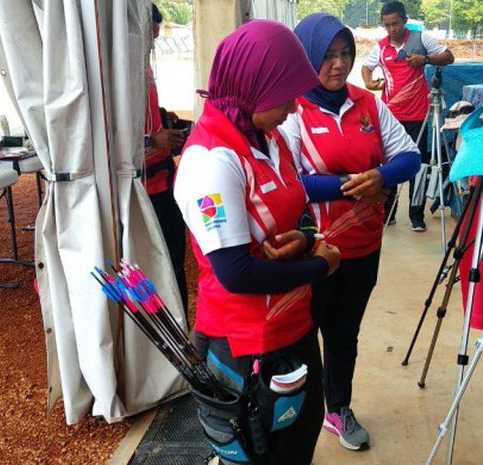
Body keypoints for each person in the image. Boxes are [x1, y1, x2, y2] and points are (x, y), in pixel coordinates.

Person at [173, 20, 341, 465]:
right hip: (244, 344)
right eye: (283, 95)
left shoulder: (271, 136)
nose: (293, 106)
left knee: (299, 439)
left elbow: (298, 204)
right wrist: (322, 265)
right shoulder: (211, 161)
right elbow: (236, 273)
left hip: (293, 327)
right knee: (261, 453)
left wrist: (305, 238)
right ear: (249, 88)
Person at [280, 13, 420, 451]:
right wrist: (351, 186)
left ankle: (338, 409)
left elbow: (410, 156)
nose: (338, 65)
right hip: (315, 250)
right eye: (326, 56)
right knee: (302, 337)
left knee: (344, 335)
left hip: (364, 246)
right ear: (305, 57)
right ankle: (296, 417)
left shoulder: (369, 104)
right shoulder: (292, 110)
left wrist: (380, 176)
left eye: (345, 54)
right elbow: (290, 180)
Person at [361, 1, 454, 231]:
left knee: (419, 166)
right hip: (389, 117)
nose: (392, 29)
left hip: (418, 116)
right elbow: (366, 66)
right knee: (389, 165)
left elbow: (449, 57)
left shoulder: (421, 39)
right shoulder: (381, 47)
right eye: (387, 25)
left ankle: (416, 215)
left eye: (395, 23)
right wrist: (367, 81)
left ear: (405, 21)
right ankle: (388, 211)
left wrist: (426, 60)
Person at [145, 3, 188, 311]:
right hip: (138, 188)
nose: (152, 42)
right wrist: (151, 139)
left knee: (174, 258)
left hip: (162, 177)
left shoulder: (144, 67)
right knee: (150, 263)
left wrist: (163, 119)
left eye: (156, 36)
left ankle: (180, 323)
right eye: (149, 34)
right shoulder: (115, 71)